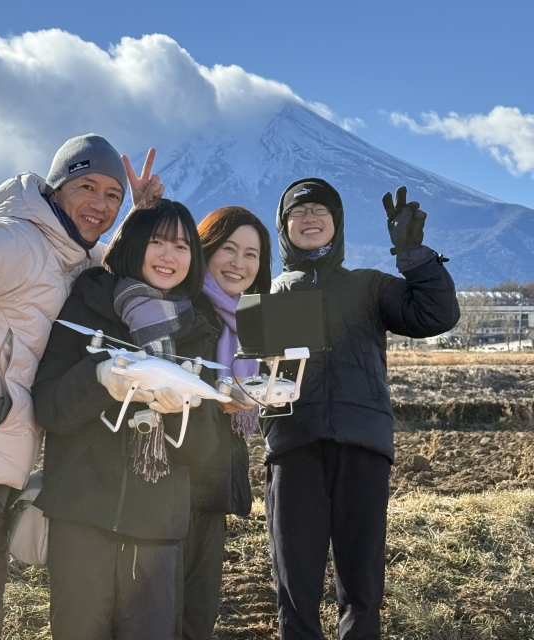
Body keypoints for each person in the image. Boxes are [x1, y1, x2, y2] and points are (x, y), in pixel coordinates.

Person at [0, 133, 163, 640]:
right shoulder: (13, 241)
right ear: (57, 187)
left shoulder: (69, 256)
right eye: (87, 186)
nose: (100, 204)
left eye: (113, 195)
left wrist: (143, 213)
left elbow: (112, 263)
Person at [263, 180, 460, 639]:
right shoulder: (268, 295)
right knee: (296, 585)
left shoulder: (369, 286)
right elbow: (252, 374)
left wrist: (413, 254)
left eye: (320, 210)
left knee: (362, 585)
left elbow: (436, 315)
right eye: (298, 212)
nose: (309, 218)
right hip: (293, 448)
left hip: (363, 445)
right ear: (284, 226)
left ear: (337, 224)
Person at [31, 198, 220, 640]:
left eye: (181, 246)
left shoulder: (195, 329)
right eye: (157, 242)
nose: (169, 256)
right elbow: (50, 407)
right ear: (135, 246)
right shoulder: (88, 304)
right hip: (81, 517)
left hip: (157, 530)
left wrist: (178, 414)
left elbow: (204, 450)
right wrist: (98, 379)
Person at [175, 206, 272, 639]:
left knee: (200, 607)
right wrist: (216, 400)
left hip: (214, 482)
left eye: (251, 254)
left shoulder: (252, 321)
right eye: (228, 249)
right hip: (175, 479)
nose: (239, 263)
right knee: (167, 606)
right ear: (205, 249)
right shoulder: (182, 306)